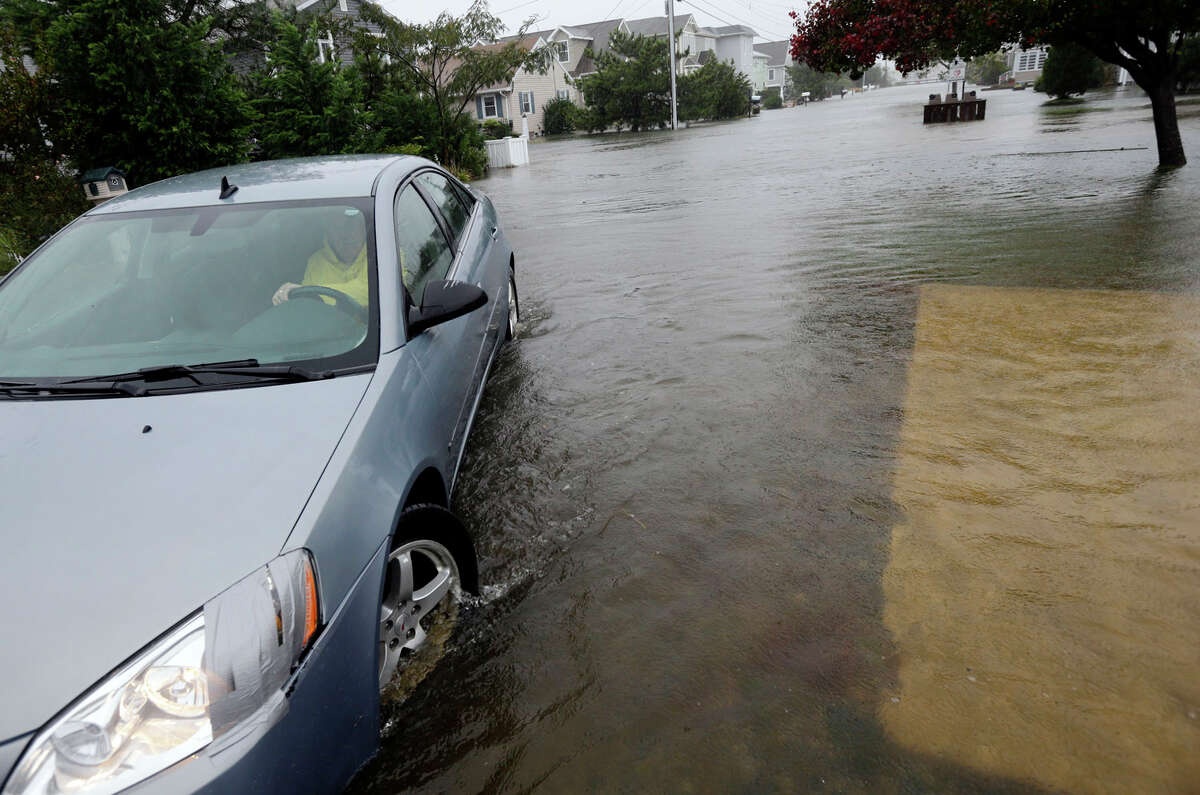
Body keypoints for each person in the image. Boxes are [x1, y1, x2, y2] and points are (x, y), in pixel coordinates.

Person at [272, 208, 369, 308]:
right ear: (328, 233)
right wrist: (286, 296)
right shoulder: (316, 262)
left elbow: (370, 290)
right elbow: (309, 305)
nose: (346, 236)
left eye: (351, 227)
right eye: (338, 228)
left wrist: (312, 292)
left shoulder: (377, 254)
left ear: (363, 229)